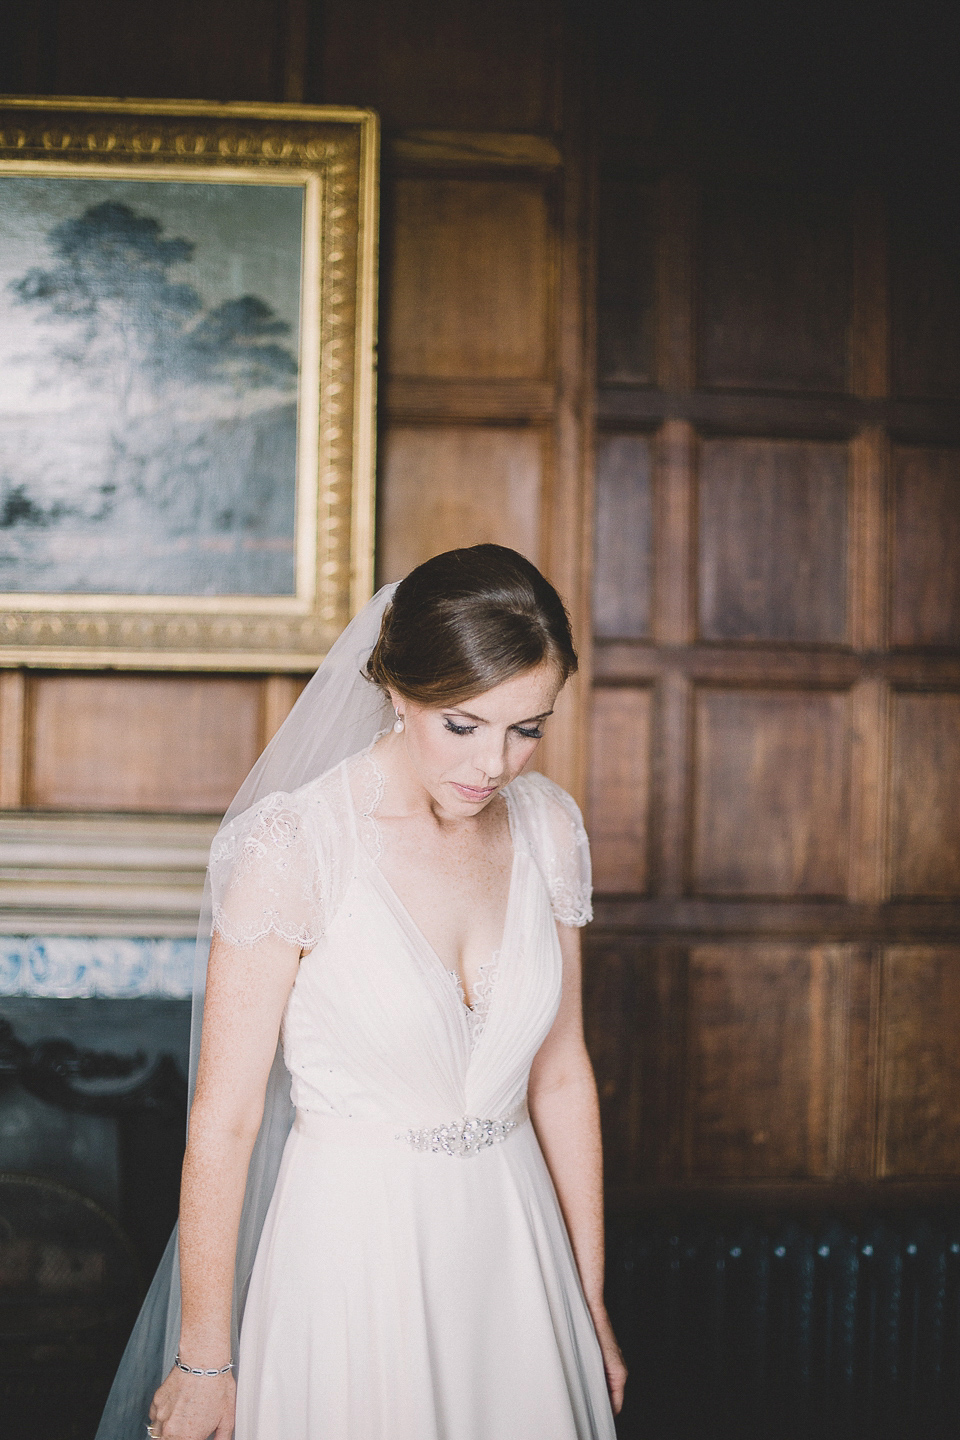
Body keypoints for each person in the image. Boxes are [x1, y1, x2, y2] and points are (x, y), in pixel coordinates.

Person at [99, 544, 626, 1440]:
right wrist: (203, 1356)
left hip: (515, 1250)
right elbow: (224, 1120)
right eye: (463, 725)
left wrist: (590, 1299)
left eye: (526, 727)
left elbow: (562, 1075)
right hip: (351, 1261)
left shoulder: (549, 829)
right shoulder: (293, 848)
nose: (495, 763)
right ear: (395, 688)